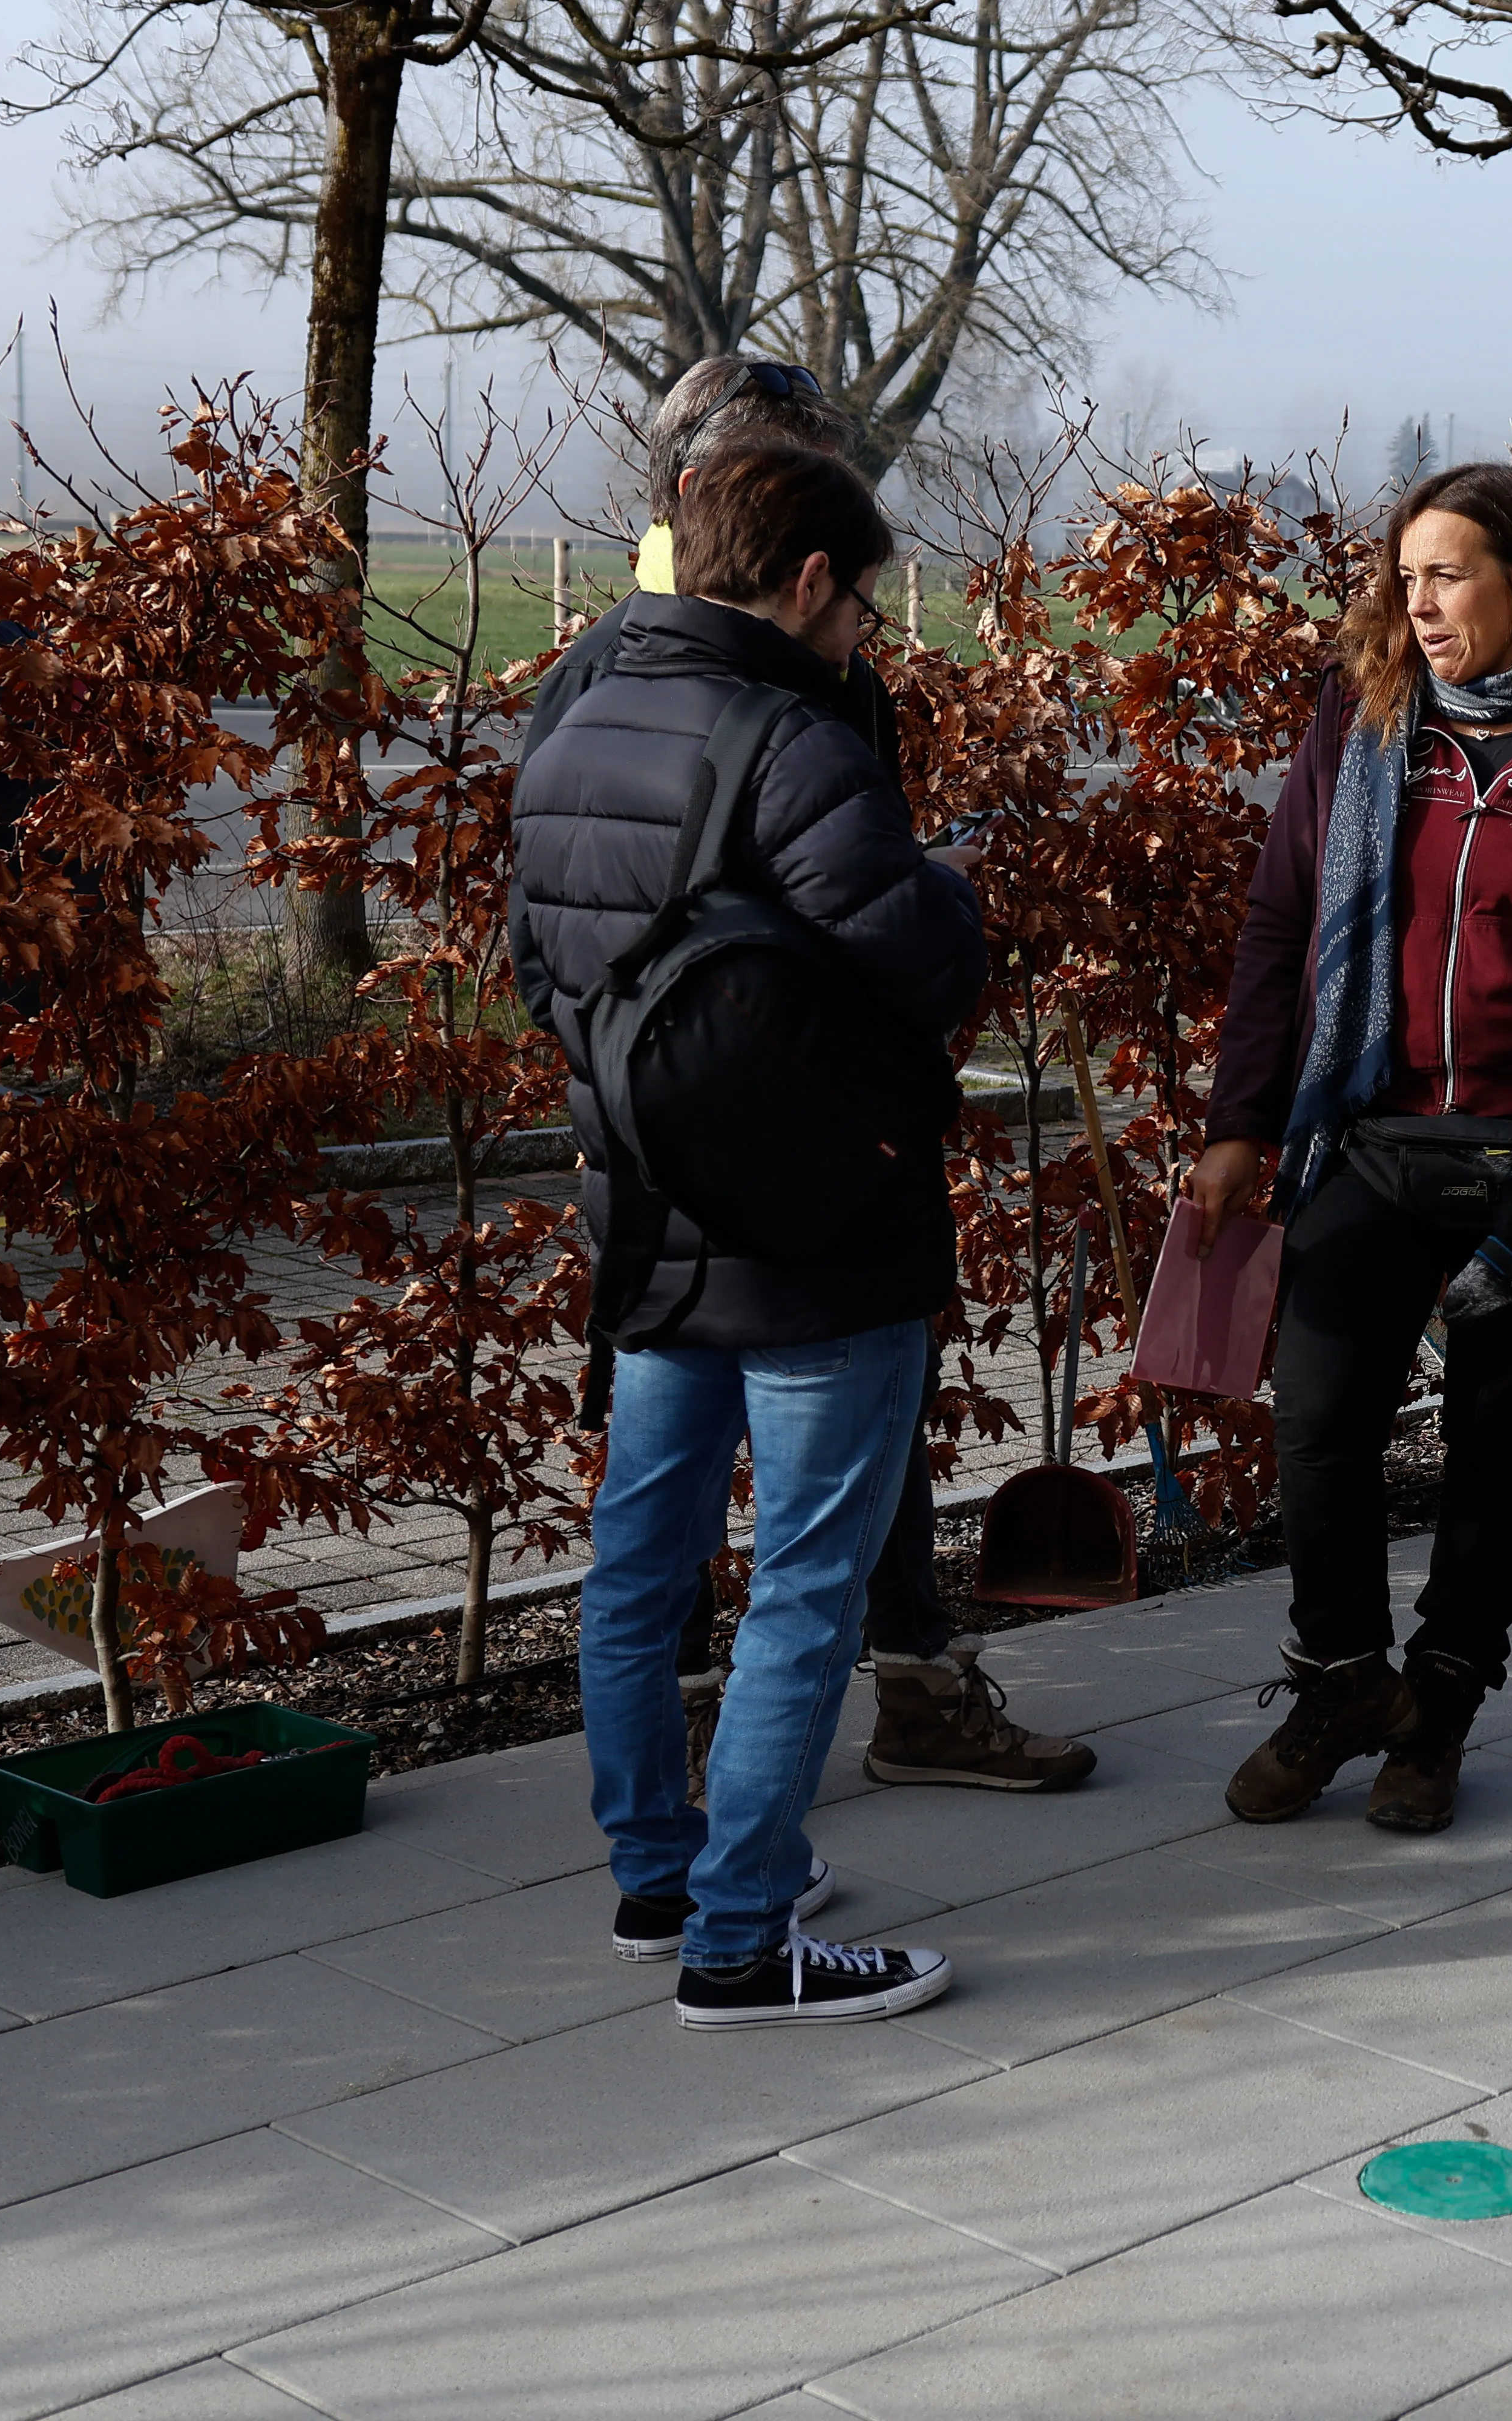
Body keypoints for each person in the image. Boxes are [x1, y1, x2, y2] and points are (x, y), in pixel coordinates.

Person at [531, 354, 1093, 1796]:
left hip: (723, 1176)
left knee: (721, 1514)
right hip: (751, 1179)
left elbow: (562, 949)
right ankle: (727, 1840)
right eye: (795, 483)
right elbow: (883, 934)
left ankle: (770, 1783)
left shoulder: (769, 677)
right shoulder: (660, 681)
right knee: (776, 1552)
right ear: (711, 498)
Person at [513, 445, 984, 2025]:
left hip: (651, 1214)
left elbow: (543, 975)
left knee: (640, 1563)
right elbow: (921, 961)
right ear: (805, 581)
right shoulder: (794, 741)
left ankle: (659, 1876)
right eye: (859, 605)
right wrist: (954, 885)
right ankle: (742, 1935)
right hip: (814, 1230)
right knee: (805, 1583)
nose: (863, 634)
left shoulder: (574, 721)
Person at [1185, 462, 1512, 1833]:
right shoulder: (1363, 723)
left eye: (1450, 575)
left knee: (1495, 1441)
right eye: (1407, 575)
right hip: (1370, 1130)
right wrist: (1241, 1123)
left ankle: (1445, 1703)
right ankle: (1345, 1680)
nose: (1419, 603)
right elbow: (1279, 924)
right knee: (1318, 1419)